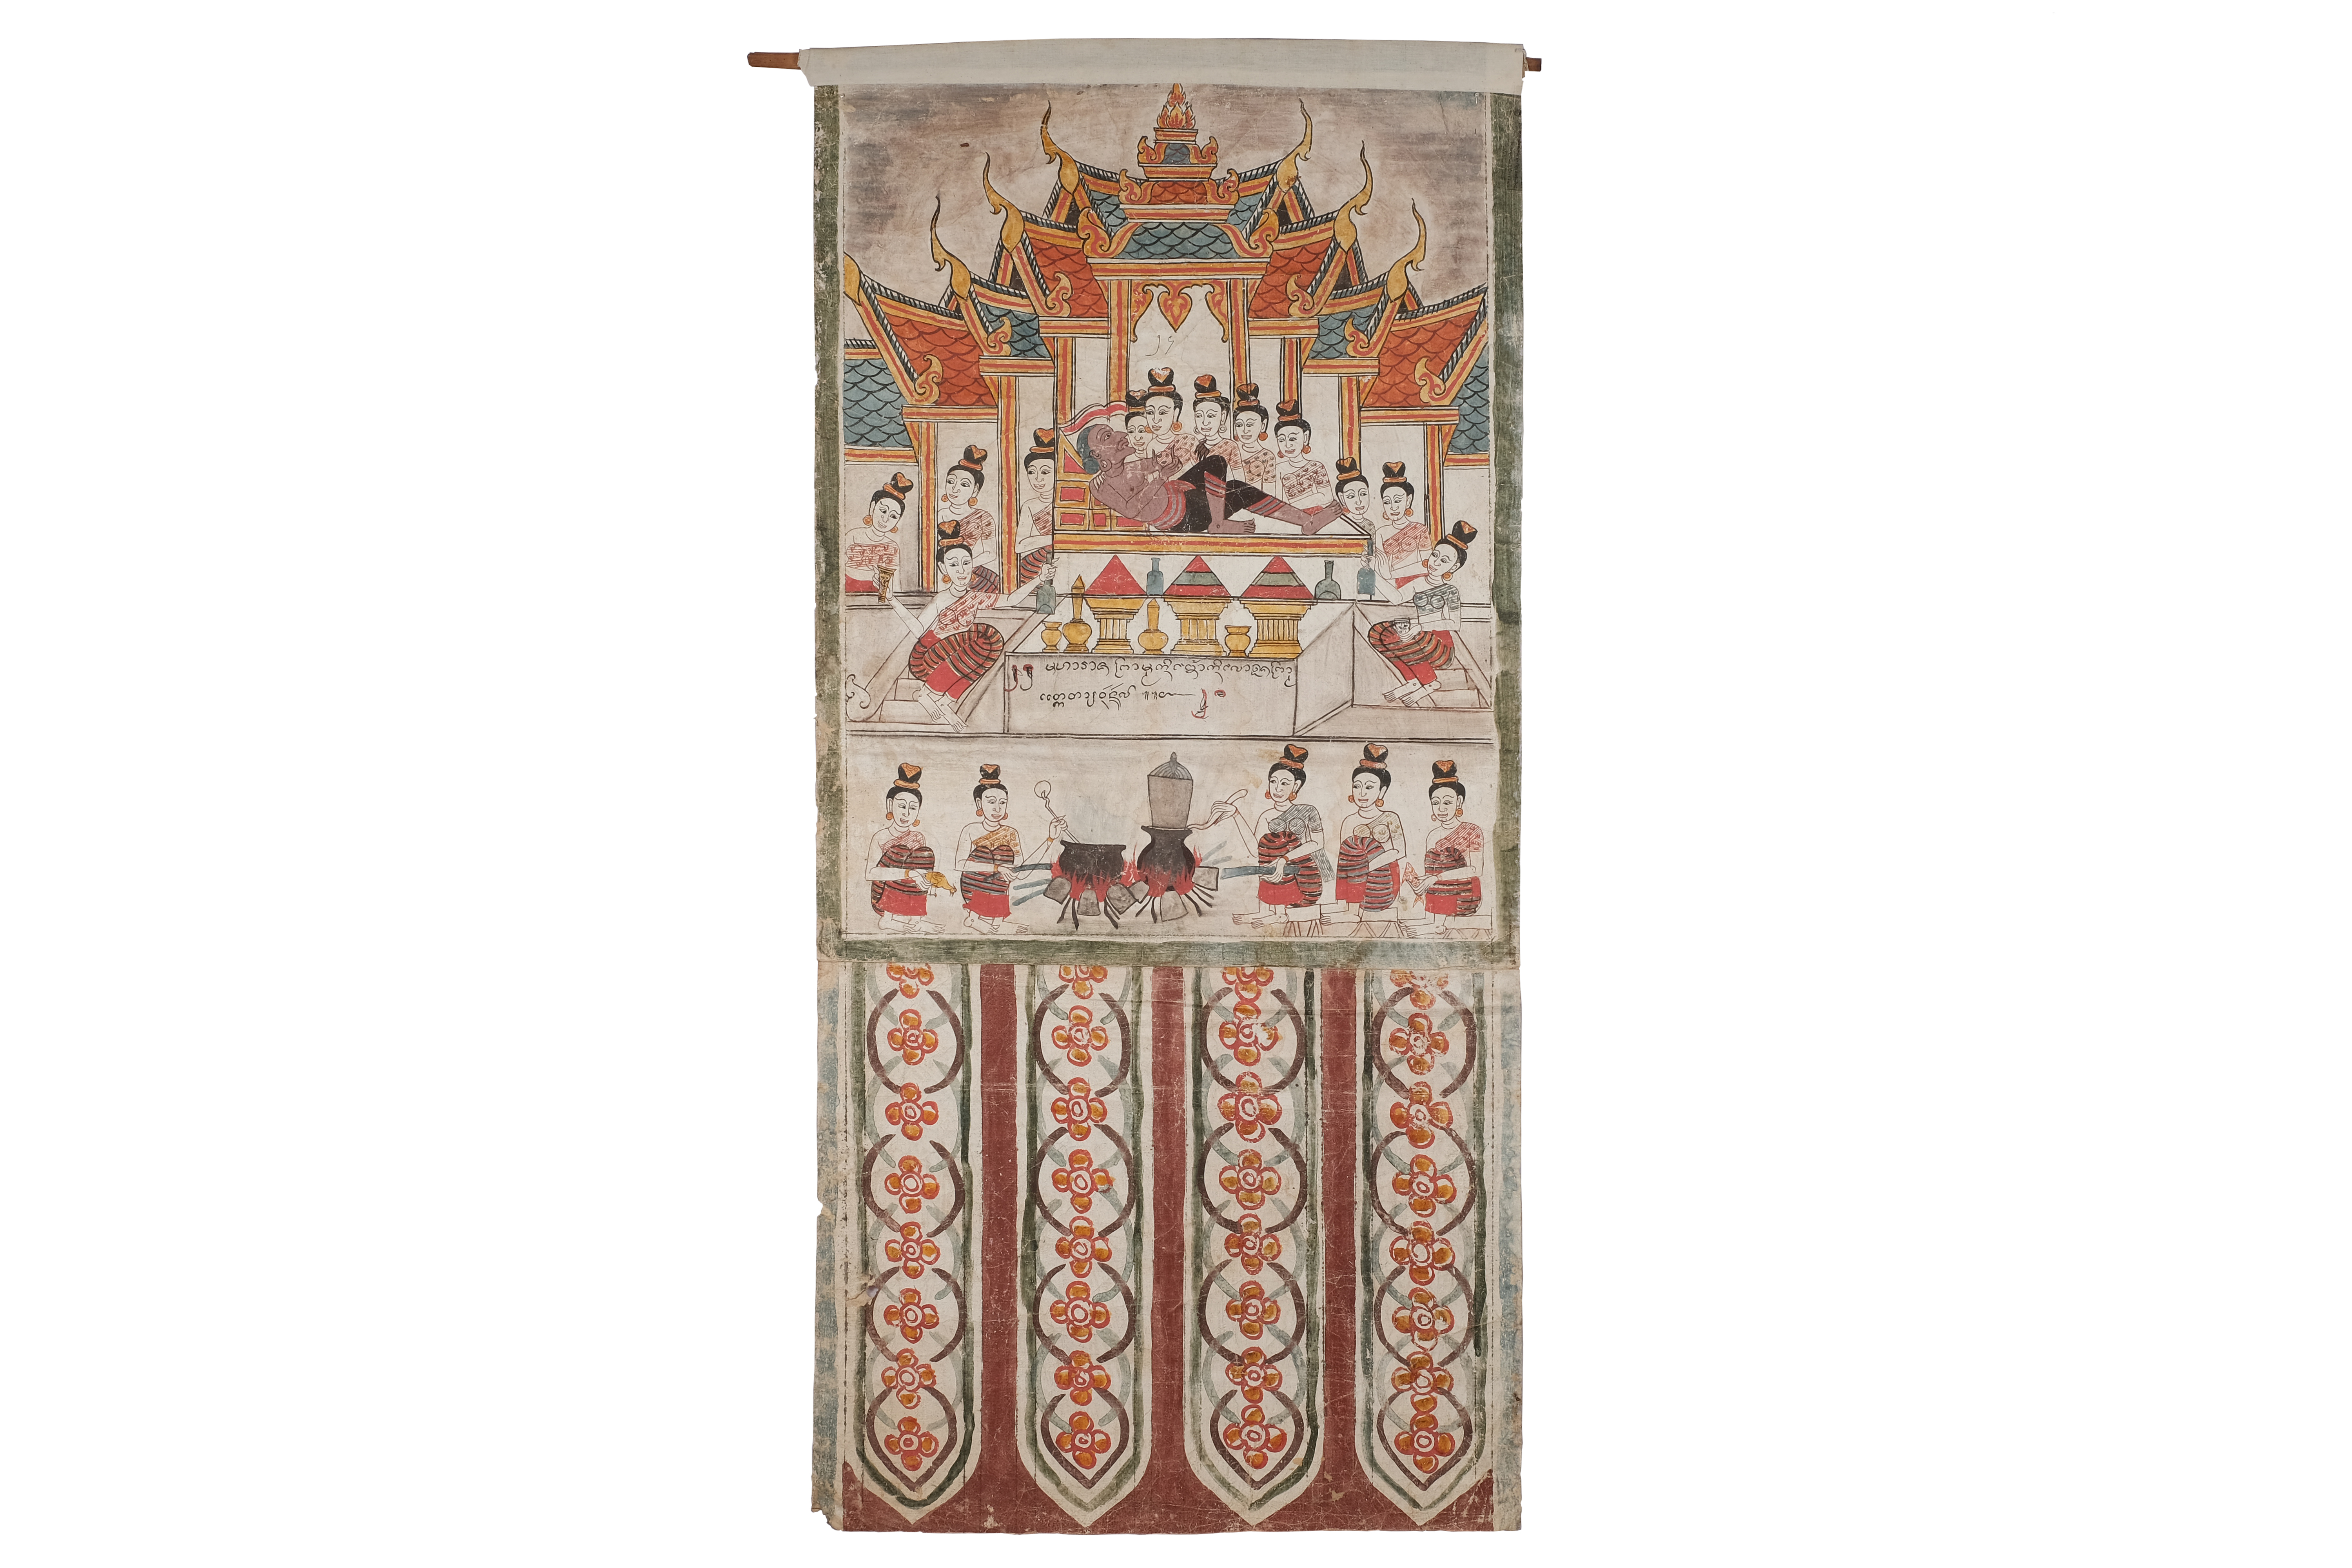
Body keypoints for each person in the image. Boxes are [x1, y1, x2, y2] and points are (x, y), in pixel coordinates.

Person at [893, 519, 1003, 730]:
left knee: (992, 641)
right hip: (927, 656)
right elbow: (919, 630)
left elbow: (1012, 599)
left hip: (957, 651)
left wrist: (1040, 579)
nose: (961, 571)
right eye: (953, 565)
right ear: (943, 568)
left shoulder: (975, 597)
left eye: (966, 563)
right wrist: (892, 600)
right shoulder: (942, 599)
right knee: (976, 646)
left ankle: (946, 701)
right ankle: (928, 694)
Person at [1368, 519, 1476, 708]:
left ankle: (1431, 682)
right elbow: (1396, 598)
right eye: (1435, 555)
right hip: (1418, 637)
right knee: (1378, 633)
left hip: (1441, 648)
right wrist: (1373, 573)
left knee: (1408, 637)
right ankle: (1413, 681)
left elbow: (1454, 624)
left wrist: (1420, 626)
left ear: (1453, 568)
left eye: (1444, 561)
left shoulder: (1450, 591)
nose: (1436, 563)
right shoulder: (1419, 583)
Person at [951, 763, 1065, 935]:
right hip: (974, 887)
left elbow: (1021, 871)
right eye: (991, 802)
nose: (997, 809)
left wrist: (1050, 838)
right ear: (979, 803)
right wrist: (997, 868)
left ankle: (997, 923)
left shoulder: (1011, 833)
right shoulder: (971, 830)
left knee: (1004, 858)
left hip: (998, 892)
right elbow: (960, 864)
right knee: (984, 855)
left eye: (1002, 803)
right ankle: (974, 918)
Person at [1233, 743, 1328, 936]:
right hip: (1276, 876)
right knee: (1268, 845)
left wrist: (1285, 859)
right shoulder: (1267, 816)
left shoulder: (1308, 811)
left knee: (1279, 849)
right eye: (1273, 782)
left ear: (1296, 786)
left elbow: (1318, 843)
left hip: (1304, 877)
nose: (1277, 788)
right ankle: (1267, 910)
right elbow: (1255, 849)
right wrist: (1236, 815)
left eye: (1285, 783)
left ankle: (1279, 914)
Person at [1332, 742, 1412, 936]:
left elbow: (1399, 851)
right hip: (1355, 879)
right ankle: (1350, 910)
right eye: (1357, 786)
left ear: (1382, 792)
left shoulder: (1390, 817)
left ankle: (1354, 912)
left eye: (1369, 787)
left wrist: (1366, 866)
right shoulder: (1349, 821)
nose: (1362, 793)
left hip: (1384, 878)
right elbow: (1345, 860)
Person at [864, 764, 951, 933]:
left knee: (925, 855)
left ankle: (916, 921)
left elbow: (921, 872)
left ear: (919, 811)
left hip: (910, 895)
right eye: (902, 806)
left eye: (913, 808)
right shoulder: (881, 837)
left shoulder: (919, 838)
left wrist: (930, 883)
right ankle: (888, 920)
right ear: (890, 805)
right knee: (901, 852)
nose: (907, 814)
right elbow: (871, 874)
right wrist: (908, 874)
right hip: (883, 896)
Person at [1401, 760, 1485, 935]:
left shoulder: (1472, 830)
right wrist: (1420, 881)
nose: (1441, 809)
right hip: (1440, 891)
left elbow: (1476, 869)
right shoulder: (1433, 835)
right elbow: (1432, 872)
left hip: (1465, 891)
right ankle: (1433, 922)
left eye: (1447, 803)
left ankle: (1437, 925)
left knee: (1446, 864)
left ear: (1459, 802)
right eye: (1436, 803)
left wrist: (1437, 878)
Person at [936, 444, 1002, 593]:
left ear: (975, 490)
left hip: (977, 575)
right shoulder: (939, 515)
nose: (955, 489)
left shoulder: (983, 517)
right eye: (951, 482)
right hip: (945, 573)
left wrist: (964, 566)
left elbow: (991, 553)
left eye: (964, 485)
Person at [1367, 461, 1429, 602]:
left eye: (1397, 501)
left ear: (1408, 501)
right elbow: (1381, 566)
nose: (1393, 508)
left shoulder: (1420, 529)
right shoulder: (1381, 532)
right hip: (1389, 586)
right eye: (1387, 502)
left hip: (1416, 584)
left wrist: (1392, 574)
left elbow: (1426, 564)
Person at [844, 472, 911, 598]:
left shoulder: (892, 547)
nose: (886, 520)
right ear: (872, 507)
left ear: (898, 521)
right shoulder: (853, 536)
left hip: (877, 594)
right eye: (883, 511)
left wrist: (893, 599)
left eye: (893, 516)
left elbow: (894, 584)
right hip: (848, 590)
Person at [1269, 399, 1334, 511]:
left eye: (1293, 439)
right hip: (1291, 517)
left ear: (1306, 438)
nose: (1287, 445)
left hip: (1316, 513)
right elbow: (1279, 502)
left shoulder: (1316, 467)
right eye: (1281, 440)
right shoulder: (1278, 469)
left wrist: (1292, 506)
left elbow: (1326, 497)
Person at [1013, 430, 1058, 589]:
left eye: (1045, 472)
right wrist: (1054, 539)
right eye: (1032, 472)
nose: (1038, 479)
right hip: (1034, 566)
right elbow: (1019, 546)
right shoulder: (1030, 506)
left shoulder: (1067, 503)